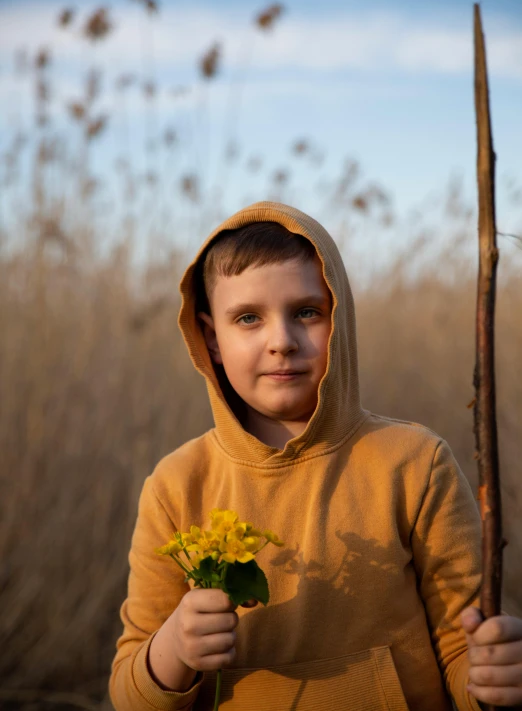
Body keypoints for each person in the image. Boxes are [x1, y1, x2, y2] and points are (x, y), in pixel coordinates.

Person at [109, 201, 522, 711]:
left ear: (340, 318)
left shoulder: (415, 463)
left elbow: (461, 650)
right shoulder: (176, 485)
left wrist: (491, 682)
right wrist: (173, 648)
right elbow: (130, 695)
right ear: (211, 337)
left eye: (307, 312)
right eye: (248, 318)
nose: (282, 341)